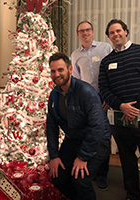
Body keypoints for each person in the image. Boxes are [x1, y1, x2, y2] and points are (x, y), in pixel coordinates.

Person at [99, 19, 140, 200]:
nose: (116, 35)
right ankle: (132, 195)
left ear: (126, 32)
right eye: (112, 33)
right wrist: (121, 106)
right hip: (121, 119)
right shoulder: (106, 61)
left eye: (118, 31)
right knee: (127, 161)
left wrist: (135, 108)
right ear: (108, 37)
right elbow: (104, 88)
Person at [46, 52, 111, 200]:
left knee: (81, 180)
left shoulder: (86, 92)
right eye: (53, 71)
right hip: (74, 139)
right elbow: (51, 126)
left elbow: (97, 127)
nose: (57, 74)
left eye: (60, 70)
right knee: (58, 177)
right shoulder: (54, 95)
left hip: (98, 141)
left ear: (69, 69)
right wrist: (54, 155)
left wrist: (83, 157)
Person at [71, 20, 112, 190]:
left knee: (104, 137)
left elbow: (112, 73)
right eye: (82, 31)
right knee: (92, 135)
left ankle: (102, 174)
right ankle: (92, 171)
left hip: (106, 98)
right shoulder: (75, 55)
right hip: (88, 101)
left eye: (88, 30)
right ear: (78, 34)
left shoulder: (105, 48)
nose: (85, 33)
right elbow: (76, 80)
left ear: (93, 32)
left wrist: (109, 99)